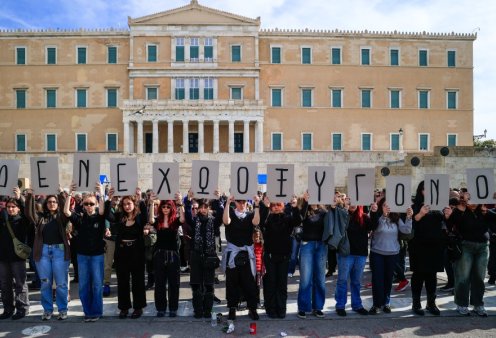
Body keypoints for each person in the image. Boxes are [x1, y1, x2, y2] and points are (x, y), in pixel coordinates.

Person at [105, 187, 154, 319]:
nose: (127, 206)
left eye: (129, 204)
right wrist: (109, 199)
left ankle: (138, 308)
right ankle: (124, 308)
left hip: (136, 252)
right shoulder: (119, 217)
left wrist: (140, 197)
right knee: (123, 281)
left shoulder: (140, 217)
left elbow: (147, 215)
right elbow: (106, 215)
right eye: (125, 204)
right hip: (122, 252)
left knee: (138, 281)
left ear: (134, 204)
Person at [64, 182, 108, 322]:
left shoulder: (100, 217)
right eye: (86, 204)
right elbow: (66, 212)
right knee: (83, 286)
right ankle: (88, 312)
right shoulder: (80, 218)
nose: (89, 206)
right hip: (82, 256)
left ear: (96, 204)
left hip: (97, 256)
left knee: (96, 285)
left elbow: (102, 211)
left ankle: (96, 312)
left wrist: (101, 193)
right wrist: (70, 193)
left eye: (91, 204)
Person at [445, 192, 495, 317]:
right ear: (465, 200)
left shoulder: (483, 211)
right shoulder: (460, 210)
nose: (472, 203)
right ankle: (461, 304)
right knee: (463, 277)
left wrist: (487, 212)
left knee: (479, 278)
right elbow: (449, 225)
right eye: (469, 199)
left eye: (474, 199)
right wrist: (457, 211)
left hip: (483, 247)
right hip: (465, 246)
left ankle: (478, 304)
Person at [25, 188, 71, 321]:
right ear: (46, 204)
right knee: (45, 283)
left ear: (58, 204)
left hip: (59, 252)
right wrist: (30, 196)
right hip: (43, 252)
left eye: (54, 202)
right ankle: (47, 310)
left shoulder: (61, 217)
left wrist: (61, 194)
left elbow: (65, 210)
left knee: (61, 283)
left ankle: (62, 310)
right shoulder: (41, 218)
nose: (52, 204)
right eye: (49, 202)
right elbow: (29, 214)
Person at [368, 199, 413, 314]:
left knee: (388, 280)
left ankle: (386, 302)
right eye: (384, 205)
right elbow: (375, 228)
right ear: (380, 206)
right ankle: (376, 305)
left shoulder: (396, 219)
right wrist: (383, 215)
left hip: (392, 253)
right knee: (377, 280)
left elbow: (406, 230)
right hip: (377, 253)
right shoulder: (377, 217)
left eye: (389, 205)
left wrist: (408, 217)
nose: (387, 207)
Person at [259, 197, 300, 319]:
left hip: (284, 256)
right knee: (270, 283)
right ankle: (270, 309)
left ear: (282, 205)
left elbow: (298, 221)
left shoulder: (287, 218)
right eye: (274, 205)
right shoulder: (267, 218)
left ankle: (281, 309)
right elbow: (260, 223)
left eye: (278, 205)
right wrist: (264, 207)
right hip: (270, 256)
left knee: (282, 283)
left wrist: (295, 206)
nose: (276, 207)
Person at [409, 181, 446, 316]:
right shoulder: (414, 206)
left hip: (435, 244)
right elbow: (410, 223)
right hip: (418, 245)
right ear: (420, 191)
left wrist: (447, 215)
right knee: (418, 275)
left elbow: (446, 222)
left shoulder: (439, 205)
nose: (427, 192)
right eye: (424, 189)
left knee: (432, 275)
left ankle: (431, 303)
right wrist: (420, 214)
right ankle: (416, 303)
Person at [222, 195, 261, 322]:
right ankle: (232, 308)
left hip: (246, 253)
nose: (242, 204)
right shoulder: (231, 214)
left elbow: (256, 222)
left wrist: (256, 205)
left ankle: (252, 308)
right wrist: (227, 203)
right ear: (235, 202)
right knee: (232, 282)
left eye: (244, 201)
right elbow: (226, 221)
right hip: (233, 253)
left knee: (249, 282)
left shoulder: (250, 215)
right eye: (239, 202)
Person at [184, 190, 221, 319]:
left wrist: (217, 198)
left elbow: (221, 215)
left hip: (209, 257)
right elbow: (187, 215)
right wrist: (188, 199)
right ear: (198, 209)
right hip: (196, 256)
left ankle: (207, 310)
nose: (203, 209)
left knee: (209, 285)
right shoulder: (195, 221)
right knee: (196, 284)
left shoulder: (213, 221)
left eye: (206, 207)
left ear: (209, 208)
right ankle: (198, 310)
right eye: (201, 207)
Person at [0, 187, 31, 320]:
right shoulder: (2, 220)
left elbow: (28, 212)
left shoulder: (23, 221)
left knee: (20, 284)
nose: (11, 209)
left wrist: (20, 198)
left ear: (18, 208)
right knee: (5, 285)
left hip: (18, 258)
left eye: (13, 207)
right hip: (3, 258)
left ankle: (22, 308)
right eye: (9, 207)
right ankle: (8, 309)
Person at [334, 204, 371, 316]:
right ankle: (340, 305)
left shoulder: (364, 217)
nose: (353, 205)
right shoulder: (342, 215)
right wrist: (344, 212)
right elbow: (339, 228)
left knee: (356, 282)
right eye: (350, 202)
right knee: (342, 280)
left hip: (360, 254)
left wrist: (374, 211)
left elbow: (373, 226)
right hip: (346, 254)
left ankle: (357, 305)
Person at [296, 191, 328, 319]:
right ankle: (303, 308)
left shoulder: (324, 212)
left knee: (320, 278)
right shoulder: (304, 209)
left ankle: (318, 307)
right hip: (306, 245)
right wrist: (305, 202)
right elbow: (299, 219)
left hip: (321, 246)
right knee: (305, 278)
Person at [151, 198, 182, 318]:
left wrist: (180, 204)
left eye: (168, 207)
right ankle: (161, 308)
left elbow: (183, 219)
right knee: (159, 283)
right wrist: (152, 203)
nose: (165, 209)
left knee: (174, 283)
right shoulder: (158, 220)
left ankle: (173, 308)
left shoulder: (175, 221)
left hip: (173, 255)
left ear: (172, 208)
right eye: (163, 206)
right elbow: (150, 219)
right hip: (159, 254)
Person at [103, 195, 120, 297]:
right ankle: (107, 284)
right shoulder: (108, 207)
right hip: (109, 239)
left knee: (121, 264)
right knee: (108, 264)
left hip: (121, 239)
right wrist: (107, 228)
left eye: (118, 198)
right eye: (115, 198)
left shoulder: (123, 208)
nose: (116, 200)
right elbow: (106, 218)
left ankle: (121, 283)